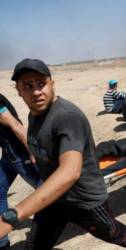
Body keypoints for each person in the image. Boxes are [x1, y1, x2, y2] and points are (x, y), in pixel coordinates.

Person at [0, 58, 126, 250]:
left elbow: (70, 172)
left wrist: (13, 215)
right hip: (55, 197)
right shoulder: (35, 113)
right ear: (18, 91)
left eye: (41, 83)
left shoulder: (66, 117)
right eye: (28, 86)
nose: (36, 91)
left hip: (84, 201)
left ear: (52, 84)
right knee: (35, 245)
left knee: (116, 234)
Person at [0, 93, 42, 250]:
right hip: (9, 156)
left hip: (20, 155)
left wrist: (31, 151)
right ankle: (2, 243)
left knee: (47, 192)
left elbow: (15, 125)